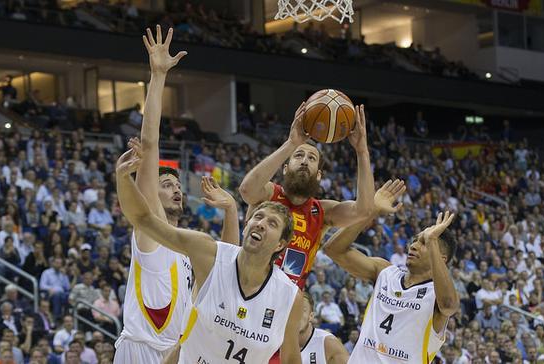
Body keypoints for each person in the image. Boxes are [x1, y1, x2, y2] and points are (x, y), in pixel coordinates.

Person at [113, 26, 239, 364]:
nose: (177, 188)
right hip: (140, 350)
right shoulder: (150, 231)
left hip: (176, 355)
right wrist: (157, 76)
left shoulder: (187, 249)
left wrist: (230, 212)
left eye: (178, 185)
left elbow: (227, 265)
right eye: (166, 184)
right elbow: (151, 144)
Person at [116, 147, 303, 364]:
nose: (261, 224)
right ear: (246, 227)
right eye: (258, 217)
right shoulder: (208, 253)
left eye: (272, 224)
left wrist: (231, 208)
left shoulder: (289, 296)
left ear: (281, 244)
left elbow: (290, 358)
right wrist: (123, 179)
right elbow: (143, 219)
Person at [239, 102, 375, 289]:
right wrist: (291, 143)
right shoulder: (269, 193)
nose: (304, 161)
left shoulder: (323, 211)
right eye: (298, 156)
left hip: (284, 301)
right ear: (285, 169)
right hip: (245, 286)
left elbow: (364, 210)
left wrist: (362, 151)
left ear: (319, 175)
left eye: (311, 158)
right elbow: (246, 190)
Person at [324, 180, 460, 363]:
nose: (413, 245)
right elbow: (334, 250)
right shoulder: (384, 271)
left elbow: (450, 305)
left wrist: (433, 241)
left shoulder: (436, 294)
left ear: (441, 258)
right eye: (416, 240)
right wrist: (371, 211)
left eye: (424, 243)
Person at [300, 292, 349, 364]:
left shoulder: (328, 343)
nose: (296, 315)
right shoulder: (279, 343)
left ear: (311, 316)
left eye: (301, 310)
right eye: (292, 310)